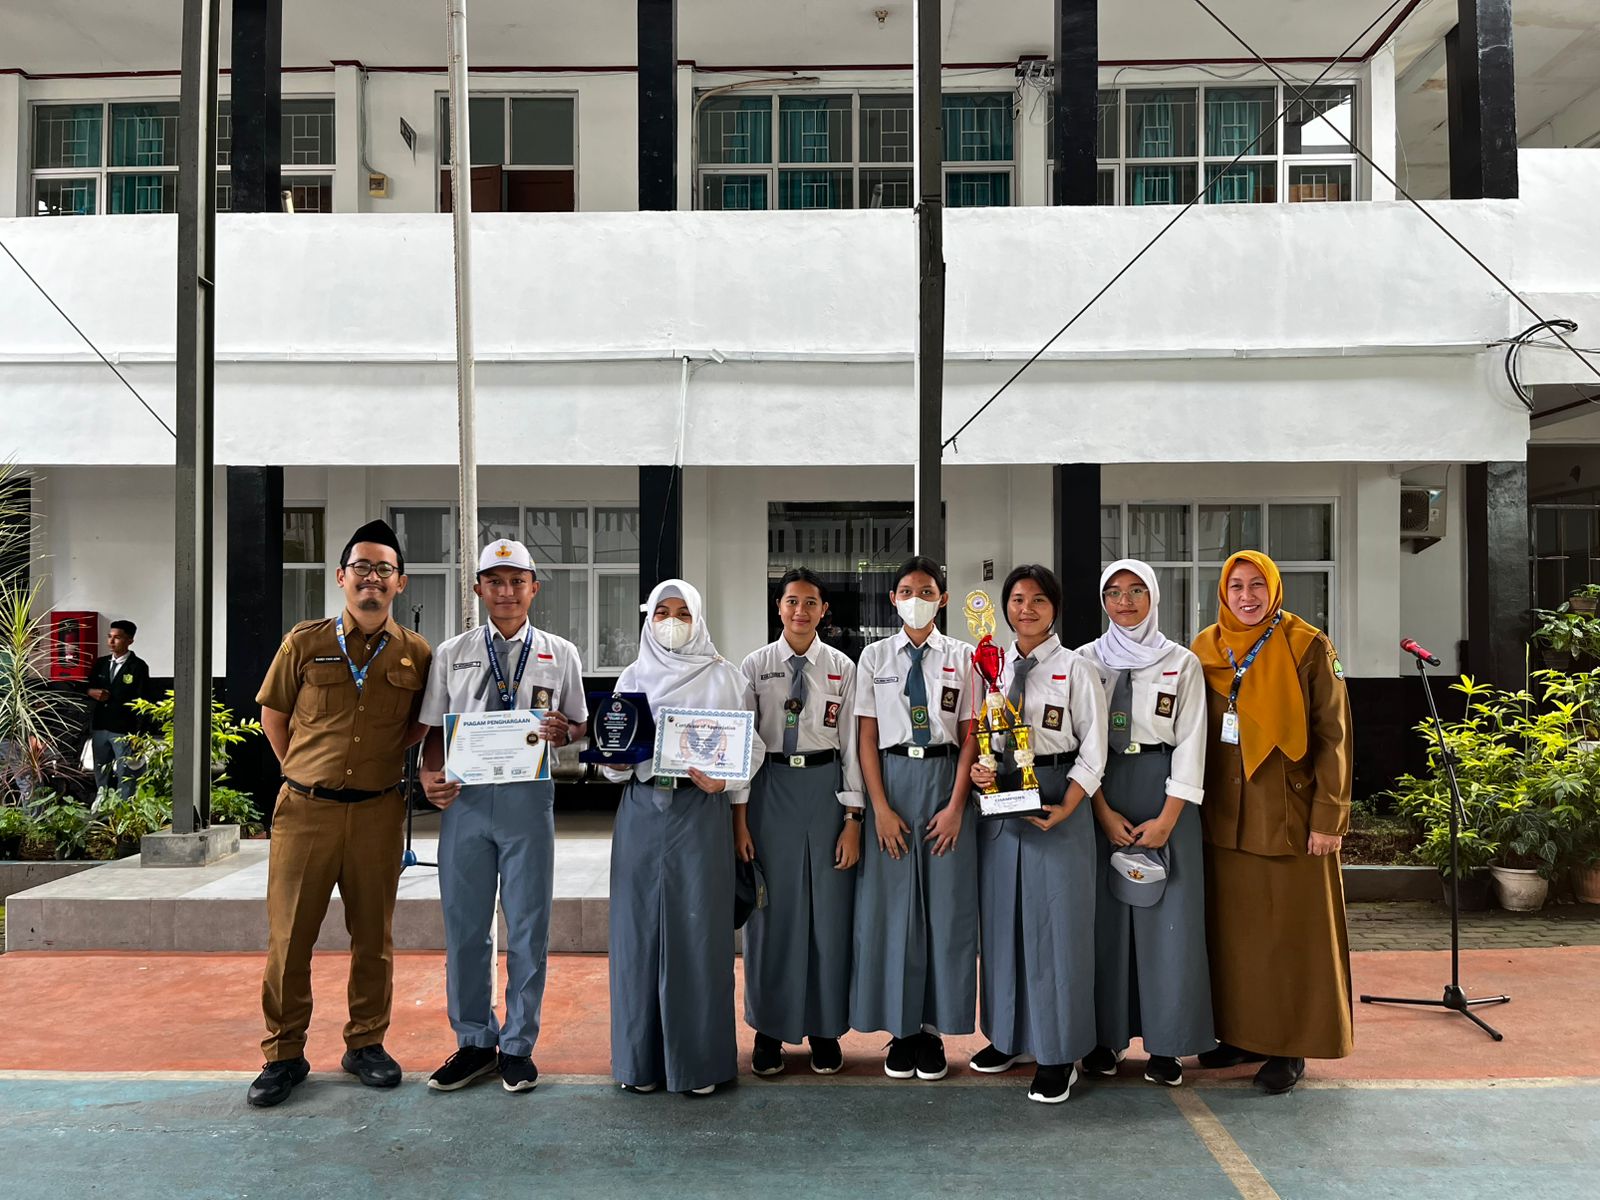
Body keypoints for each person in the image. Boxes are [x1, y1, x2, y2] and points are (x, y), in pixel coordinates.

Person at [246, 519, 432, 1108]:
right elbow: (274, 715)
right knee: (290, 938)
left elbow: (418, 727)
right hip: (306, 812)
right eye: (361, 568)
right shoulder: (304, 642)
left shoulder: (416, 654)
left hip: (377, 813)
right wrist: (300, 771)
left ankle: (366, 1043)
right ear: (341, 577)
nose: (371, 578)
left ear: (399, 582)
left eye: (384, 569)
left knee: (373, 937)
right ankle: (283, 1053)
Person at [417, 538, 588, 1095]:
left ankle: (517, 1045)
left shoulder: (561, 652)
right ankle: (474, 1041)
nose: (507, 591)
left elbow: (579, 723)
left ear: (534, 588)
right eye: (495, 581)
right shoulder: (452, 653)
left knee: (528, 925)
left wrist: (565, 731)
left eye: (517, 581)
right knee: (465, 927)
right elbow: (433, 728)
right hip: (465, 801)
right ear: (478, 589)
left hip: (527, 800)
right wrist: (428, 777)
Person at [1192, 550, 1353, 1094]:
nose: (1247, 596)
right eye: (1236, 586)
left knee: (1292, 934)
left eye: (1257, 585)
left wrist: (1329, 817)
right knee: (1235, 937)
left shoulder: (1308, 645)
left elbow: (1334, 737)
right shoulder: (1204, 648)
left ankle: (1289, 1045)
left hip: (1289, 816)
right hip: (1222, 818)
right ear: (1223, 592)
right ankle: (1242, 1035)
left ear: (1274, 588)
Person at [605, 579, 764, 1097]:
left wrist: (729, 788)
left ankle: (698, 1063)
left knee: (700, 934)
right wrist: (613, 760)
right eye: (662, 612)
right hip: (642, 811)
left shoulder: (725, 676)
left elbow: (752, 749)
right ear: (648, 619)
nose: (672, 622)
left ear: (698, 619)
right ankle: (639, 1062)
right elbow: (614, 756)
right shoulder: (632, 676)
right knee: (638, 933)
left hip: (701, 814)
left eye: (683, 613)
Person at [966, 564, 1108, 1104]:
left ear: (1055, 609)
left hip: (1057, 798)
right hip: (1003, 802)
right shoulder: (992, 667)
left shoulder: (1077, 668)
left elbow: (1094, 748)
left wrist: (1069, 804)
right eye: (1017, 600)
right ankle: (1010, 1037)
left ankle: (1059, 1053)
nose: (1026, 609)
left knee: (1057, 932)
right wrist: (982, 771)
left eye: (1038, 600)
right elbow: (985, 736)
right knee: (1004, 927)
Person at [1077, 560, 1213, 1088]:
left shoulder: (1182, 662)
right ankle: (1105, 1039)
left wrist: (1168, 819)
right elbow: (1080, 740)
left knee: (1170, 923)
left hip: (1165, 791)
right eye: (1113, 592)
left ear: (1153, 597)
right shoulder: (1085, 660)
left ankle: (1168, 1043)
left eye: (1136, 591)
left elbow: (1192, 741)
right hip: (1102, 789)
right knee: (1104, 922)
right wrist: (1101, 810)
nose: (1125, 602)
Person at [851, 555, 977, 1083]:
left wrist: (956, 807)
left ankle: (933, 1030)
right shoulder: (874, 657)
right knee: (893, 913)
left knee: (945, 913)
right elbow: (865, 738)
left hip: (946, 783)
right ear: (893, 599)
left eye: (926, 591)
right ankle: (901, 1031)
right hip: (893, 781)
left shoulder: (966, 657)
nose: (916, 599)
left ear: (942, 599)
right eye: (906, 591)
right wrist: (879, 809)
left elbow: (971, 736)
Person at [739, 567, 864, 1077]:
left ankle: (825, 1029)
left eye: (811, 602)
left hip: (825, 790)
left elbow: (853, 746)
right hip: (771, 789)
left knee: (829, 916)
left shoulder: (842, 668)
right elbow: (744, 744)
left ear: (823, 610)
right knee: (772, 914)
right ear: (779, 606)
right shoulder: (754, 666)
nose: (800, 611)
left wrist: (853, 817)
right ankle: (769, 1029)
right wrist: (740, 819)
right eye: (792, 601)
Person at [86, 620, 148, 799]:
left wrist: (139, 734)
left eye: (117, 638)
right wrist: (91, 692)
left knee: (126, 772)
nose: (111, 642)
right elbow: (85, 687)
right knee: (100, 770)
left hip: (124, 729)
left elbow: (143, 701)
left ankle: (124, 807)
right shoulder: (101, 663)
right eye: (109, 637)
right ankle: (102, 804)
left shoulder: (138, 666)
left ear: (130, 640)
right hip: (100, 726)